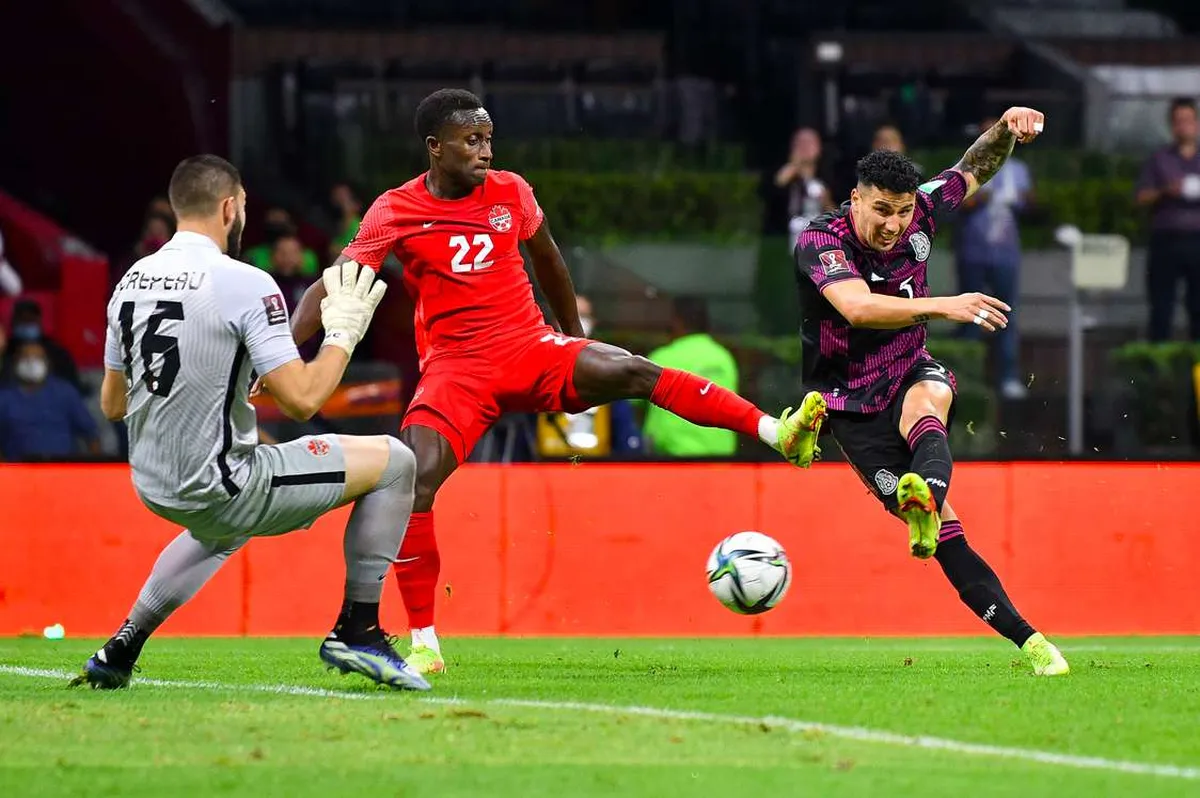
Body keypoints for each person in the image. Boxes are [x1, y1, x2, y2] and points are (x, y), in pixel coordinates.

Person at [287, 88, 820, 675]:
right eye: (472, 141)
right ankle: (424, 643)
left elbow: (549, 261)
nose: (485, 151)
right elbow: (334, 282)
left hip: (527, 346)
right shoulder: (395, 209)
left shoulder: (511, 192)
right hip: (455, 370)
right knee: (413, 480)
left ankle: (778, 433)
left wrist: (572, 338)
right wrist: (284, 353)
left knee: (632, 368)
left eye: (489, 139)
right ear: (435, 149)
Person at [72, 155, 429, 692]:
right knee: (397, 463)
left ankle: (121, 647)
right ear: (229, 207)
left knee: (220, 532)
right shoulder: (244, 281)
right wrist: (344, 333)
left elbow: (113, 404)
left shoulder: (131, 281)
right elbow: (304, 400)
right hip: (225, 482)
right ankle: (358, 629)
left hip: (152, 483)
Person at [789, 107, 1069, 676]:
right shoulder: (822, 238)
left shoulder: (922, 209)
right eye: (882, 210)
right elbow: (857, 307)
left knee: (930, 403)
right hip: (848, 403)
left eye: (903, 210)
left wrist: (1003, 129)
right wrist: (945, 305)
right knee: (948, 539)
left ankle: (1038, 647)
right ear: (856, 199)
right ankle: (929, 506)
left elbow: (972, 169)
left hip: (908, 368)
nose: (894, 224)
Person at [954, 115, 1034, 399]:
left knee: (1007, 315)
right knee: (969, 316)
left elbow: (1031, 206)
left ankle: (1008, 377)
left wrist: (1022, 200)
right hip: (974, 252)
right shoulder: (967, 167)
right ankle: (966, 379)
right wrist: (982, 197)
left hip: (1006, 254)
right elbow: (956, 205)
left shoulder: (1019, 169)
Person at [1135, 96, 1200, 341]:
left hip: (1197, 240)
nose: (1183, 126)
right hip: (1167, 239)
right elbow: (1141, 197)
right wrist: (1166, 191)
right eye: (1178, 121)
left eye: (1188, 120)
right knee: (1162, 308)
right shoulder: (1159, 159)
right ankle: (1159, 372)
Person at [643, 297, 740, 457]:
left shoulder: (662, 358)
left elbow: (632, 398)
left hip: (673, 461)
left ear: (677, 321)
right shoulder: (724, 358)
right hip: (722, 458)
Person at [0, 338, 100, 459]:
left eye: (37, 358)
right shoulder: (5, 398)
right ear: (16, 362)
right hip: (19, 471)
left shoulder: (65, 392)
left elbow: (91, 434)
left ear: (47, 362)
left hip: (63, 468)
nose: (31, 363)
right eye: (26, 358)